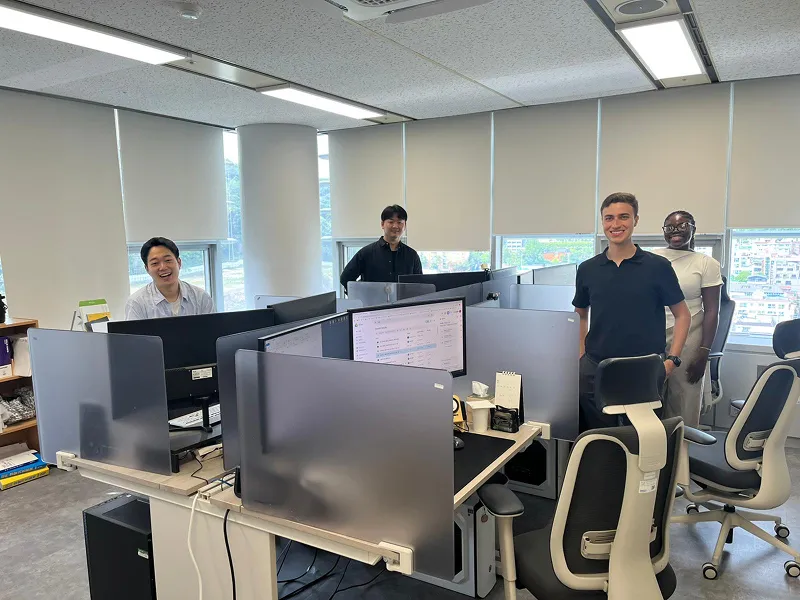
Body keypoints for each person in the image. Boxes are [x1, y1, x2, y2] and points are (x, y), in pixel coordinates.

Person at [573, 193, 691, 432]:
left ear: (636, 220)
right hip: (596, 368)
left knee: (642, 440)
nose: (615, 224)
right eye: (609, 218)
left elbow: (683, 315)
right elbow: (580, 315)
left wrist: (672, 360)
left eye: (623, 217)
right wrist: (581, 356)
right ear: (602, 222)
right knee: (598, 439)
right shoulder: (588, 269)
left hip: (643, 371)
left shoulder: (658, 267)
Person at [651, 211, 722, 428]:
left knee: (683, 398)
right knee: (650, 395)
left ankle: (682, 446)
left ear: (693, 229)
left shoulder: (706, 263)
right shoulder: (652, 258)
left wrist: (704, 352)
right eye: (670, 227)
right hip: (654, 332)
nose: (676, 231)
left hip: (691, 334)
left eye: (682, 226)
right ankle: (654, 445)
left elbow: (712, 310)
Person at [125, 237, 215, 320]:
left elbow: (212, 330)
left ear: (179, 263)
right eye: (155, 263)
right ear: (147, 269)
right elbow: (134, 333)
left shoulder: (201, 297)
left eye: (168, 260)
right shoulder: (137, 303)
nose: (163, 267)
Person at [339, 205, 423, 293]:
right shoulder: (366, 253)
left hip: (404, 302)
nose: (395, 226)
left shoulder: (412, 255)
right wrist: (360, 296)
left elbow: (420, 285)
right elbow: (345, 278)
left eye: (399, 222)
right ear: (382, 224)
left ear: (405, 226)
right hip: (373, 302)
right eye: (391, 222)